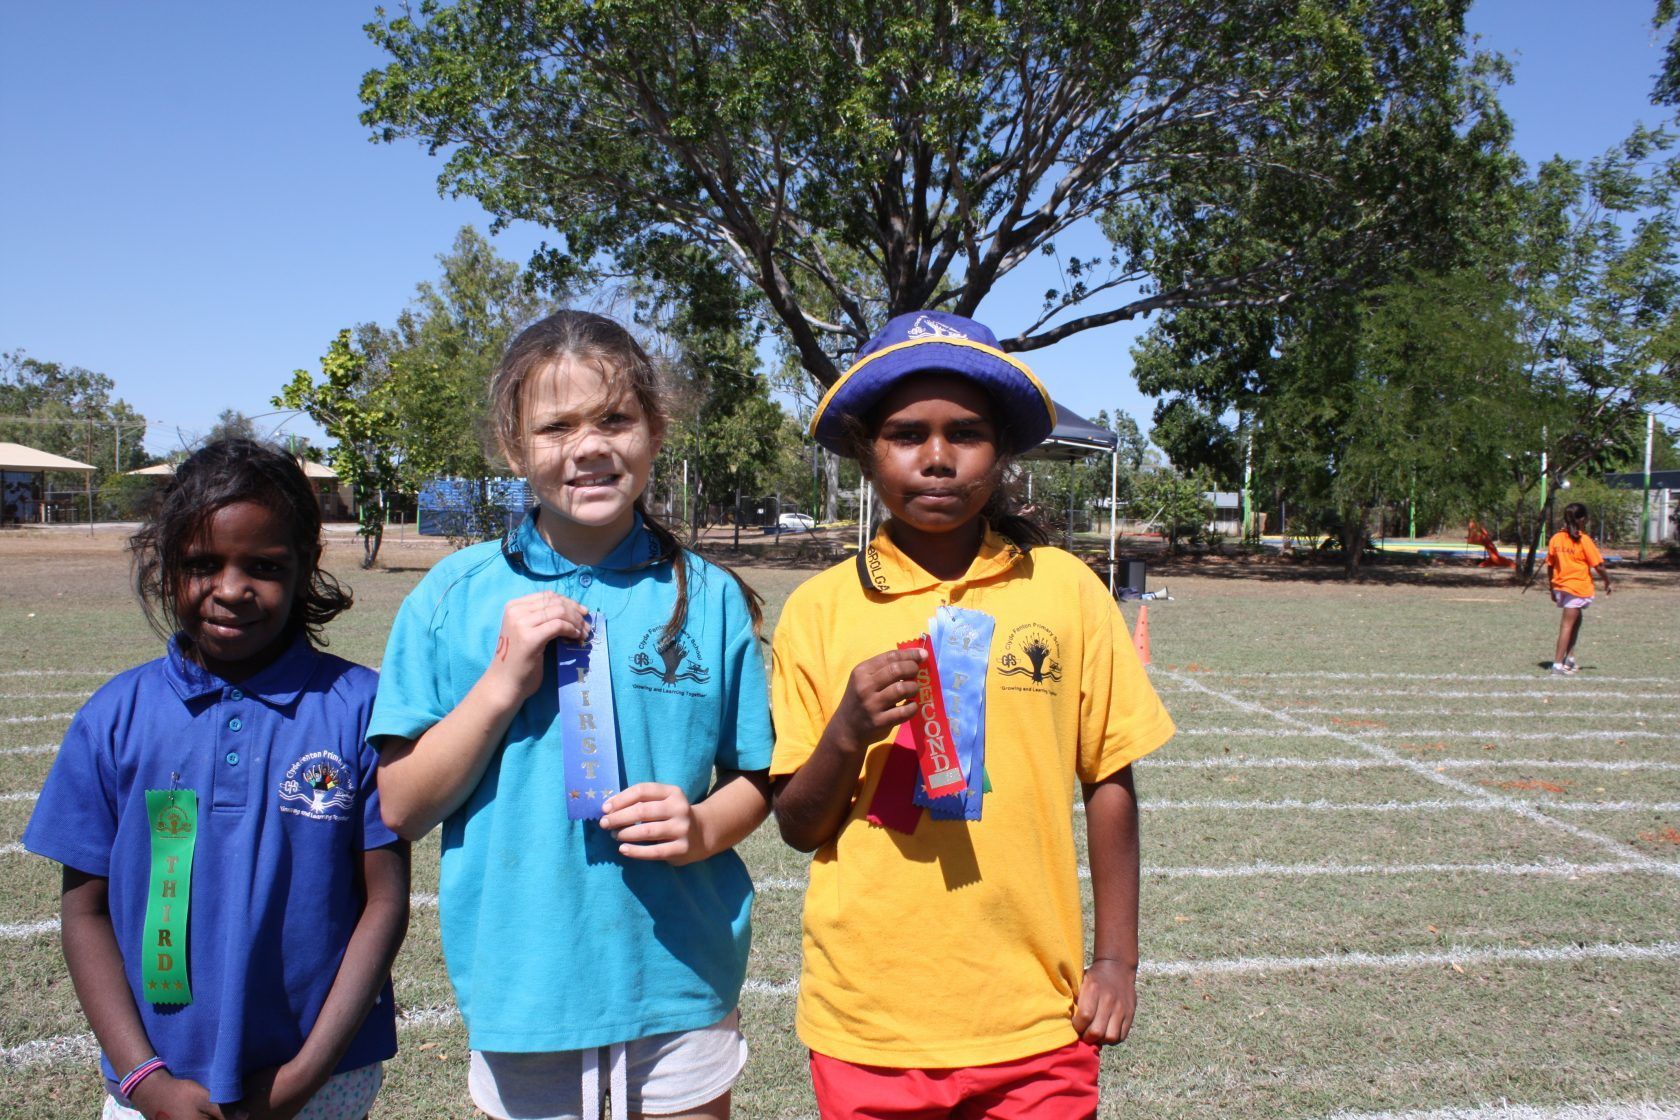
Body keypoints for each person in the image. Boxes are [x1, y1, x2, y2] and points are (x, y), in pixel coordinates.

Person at [769, 311, 1175, 1118]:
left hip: (1037, 1021)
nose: (937, 458)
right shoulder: (817, 610)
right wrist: (849, 731)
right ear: (863, 447)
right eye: (906, 433)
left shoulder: (1066, 591)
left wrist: (1117, 962)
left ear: (1005, 451)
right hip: (869, 1024)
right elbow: (798, 825)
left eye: (967, 433)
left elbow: (1109, 777)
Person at [370, 310, 772, 1120]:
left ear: (655, 432)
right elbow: (401, 805)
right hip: (526, 985)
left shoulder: (713, 598)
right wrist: (498, 685)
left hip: (678, 978)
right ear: (515, 448)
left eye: (615, 419)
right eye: (556, 426)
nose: (589, 447)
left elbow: (760, 776)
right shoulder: (452, 600)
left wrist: (701, 827)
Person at [23, 438, 409, 1120]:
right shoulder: (116, 716)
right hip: (158, 1083)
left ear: (304, 568)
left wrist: (302, 1077)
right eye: (203, 564)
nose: (231, 589)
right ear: (166, 566)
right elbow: (83, 911)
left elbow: (384, 903)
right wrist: (144, 1080)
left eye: (263, 566)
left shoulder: (359, 710)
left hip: (320, 1083)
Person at [1545, 501, 1613, 675]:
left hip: (1561, 586)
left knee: (1576, 620)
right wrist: (1607, 581)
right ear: (1582, 519)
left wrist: (1552, 586)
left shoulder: (1556, 538)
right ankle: (1557, 665)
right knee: (1567, 625)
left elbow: (1550, 565)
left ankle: (1570, 658)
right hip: (1576, 587)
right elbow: (1599, 565)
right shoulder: (1584, 540)